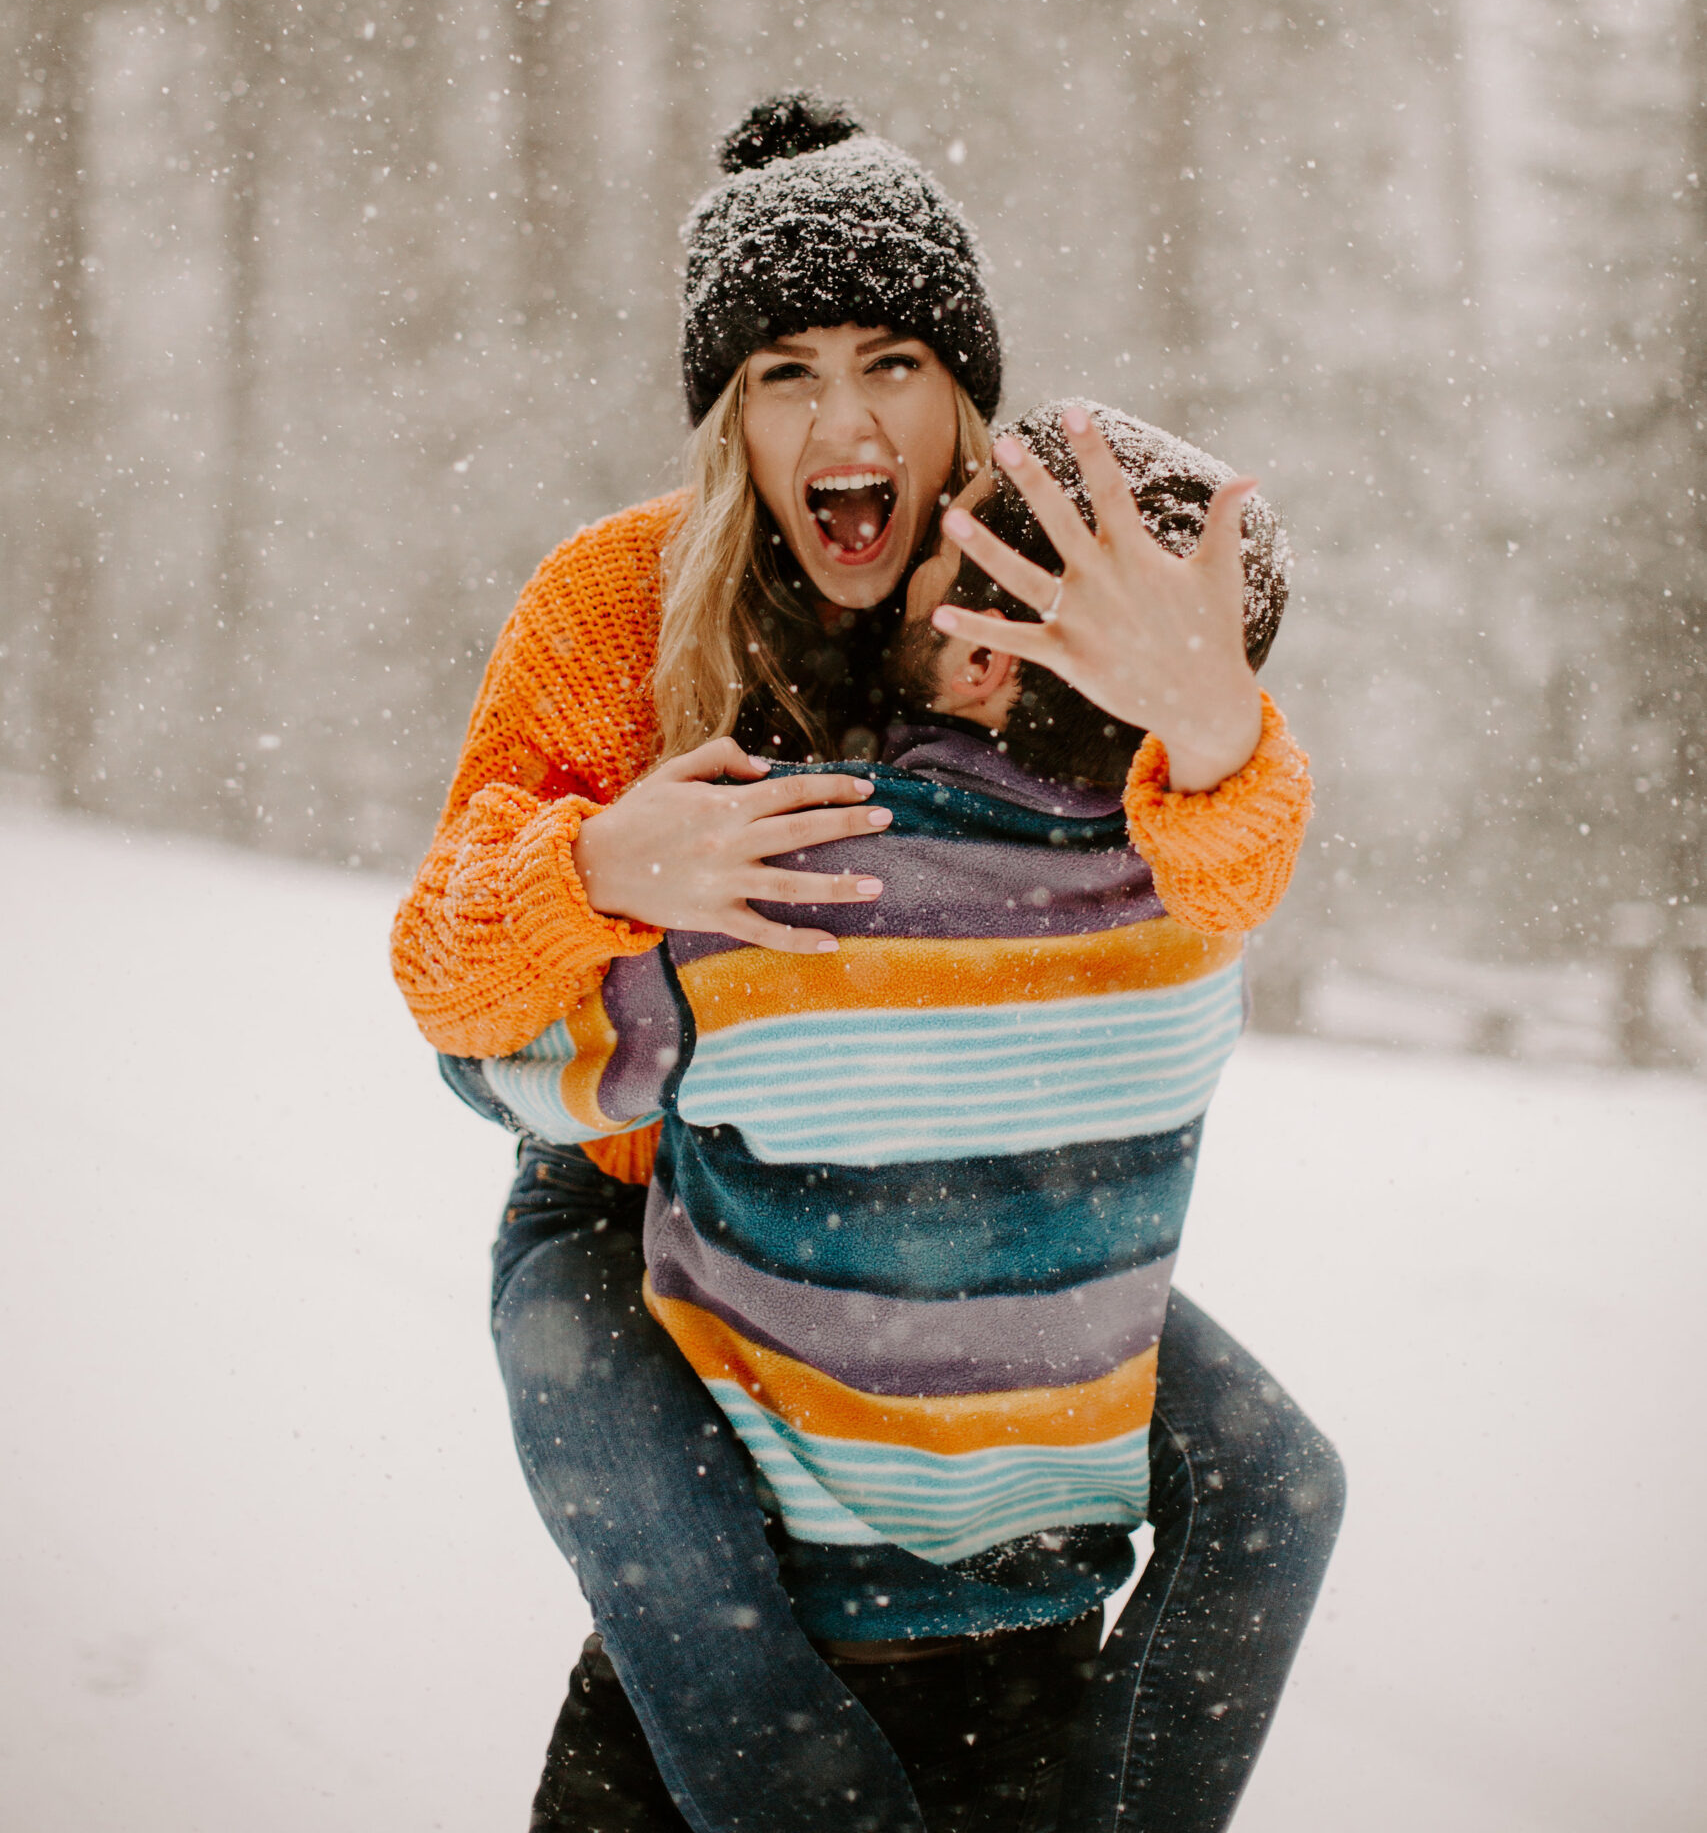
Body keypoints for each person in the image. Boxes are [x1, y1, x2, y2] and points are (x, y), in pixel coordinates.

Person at [391, 95, 1333, 1832]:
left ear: (959, 395)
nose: (848, 421)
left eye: (894, 362)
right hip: (627, 1187)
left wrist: (1219, 728)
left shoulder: (1019, 589)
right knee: (680, 1564)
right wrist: (594, 867)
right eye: (784, 374)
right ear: (725, 420)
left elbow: (1217, 878)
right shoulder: (611, 605)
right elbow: (448, 991)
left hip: (936, 1209)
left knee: (1276, 1478)